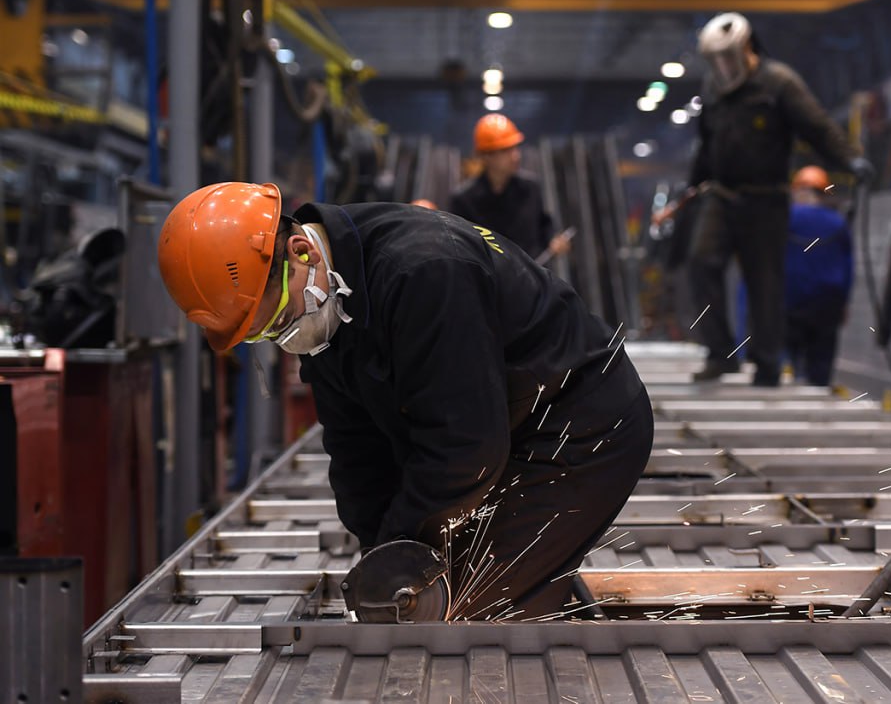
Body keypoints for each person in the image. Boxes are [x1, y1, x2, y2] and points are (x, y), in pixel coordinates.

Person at [157, 181, 653, 620]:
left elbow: (466, 448)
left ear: (301, 251)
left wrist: (402, 549)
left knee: (473, 609)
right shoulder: (324, 298)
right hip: (505, 422)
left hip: (580, 427)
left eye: (281, 321)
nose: (286, 338)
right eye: (265, 334)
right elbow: (355, 449)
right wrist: (379, 554)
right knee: (434, 589)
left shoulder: (424, 271)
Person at [681, 12, 871, 386]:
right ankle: (720, 353)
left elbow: (817, 127)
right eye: (715, 60)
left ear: (746, 49)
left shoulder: (779, 83)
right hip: (722, 194)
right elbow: (706, 144)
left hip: (766, 200)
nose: (723, 66)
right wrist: (692, 186)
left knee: (764, 281)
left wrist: (850, 160)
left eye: (727, 57)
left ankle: (766, 363)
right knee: (700, 262)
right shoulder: (713, 88)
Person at [449, 113, 571, 263]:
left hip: (531, 273)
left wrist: (554, 239)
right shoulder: (464, 200)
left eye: (515, 148)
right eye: (506, 150)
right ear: (486, 156)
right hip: (490, 277)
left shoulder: (531, 189)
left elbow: (545, 225)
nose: (515, 156)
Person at [784, 166, 853, 386]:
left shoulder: (788, 217)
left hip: (792, 300)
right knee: (821, 363)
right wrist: (844, 302)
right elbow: (848, 266)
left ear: (798, 190)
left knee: (789, 362)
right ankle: (818, 388)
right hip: (828, 301)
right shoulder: (838, 222)